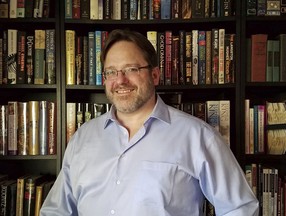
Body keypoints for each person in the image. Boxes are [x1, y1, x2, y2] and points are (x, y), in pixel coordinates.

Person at [40, 29, 259, 216]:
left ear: (154, 75)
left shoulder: (198, 136)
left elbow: (240, 208)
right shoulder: (82, 138)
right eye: (111, 72)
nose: (120, 80)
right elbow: (56, 211)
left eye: (132, 69)